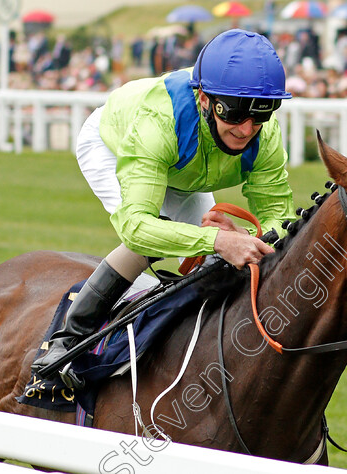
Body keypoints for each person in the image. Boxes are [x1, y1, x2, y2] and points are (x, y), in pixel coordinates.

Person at [32, 29, 296, 372]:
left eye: (261, 112)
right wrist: (218, 239)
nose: (246, 129)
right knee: (155, 238)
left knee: (217, 255)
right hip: (112, 145)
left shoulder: (266, 135)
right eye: (233, 112)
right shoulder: (158, 122)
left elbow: (282, 219)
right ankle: (66, 341)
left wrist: (248, 239)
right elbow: (136, 226)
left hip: (182, 169)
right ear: (204, 99)